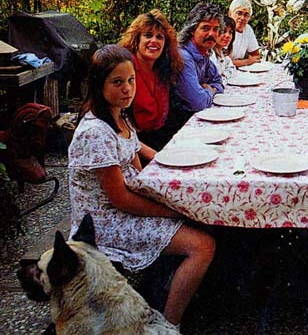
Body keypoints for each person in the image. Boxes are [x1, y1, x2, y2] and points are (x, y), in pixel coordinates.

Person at [68, 45, 215, 328]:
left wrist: (170, 162)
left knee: (199, 212)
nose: (127, 89)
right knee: (203, 245)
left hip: (122, 206)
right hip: (103, 223)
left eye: (131, 80)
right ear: (99, 85)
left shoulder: (118, 114)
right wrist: (170, 211)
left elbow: (135, 156)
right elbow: (120, 199)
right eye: (118, 82)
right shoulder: (95, 133)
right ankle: (168, 325)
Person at [119, 9, 183, 157]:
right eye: (148, 35)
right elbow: (116, 125)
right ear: (137, 39)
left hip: (161, 139)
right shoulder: (126, 69)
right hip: (133, 147)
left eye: (159, 37)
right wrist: (153, 155)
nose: (154, 41)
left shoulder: (165, 68)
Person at [169, 3, 224, 131]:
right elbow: (199, 103)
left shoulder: (204, 53)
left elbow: (218, 82)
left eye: (215, 29)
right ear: (192, 30)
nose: (211, 33)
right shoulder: (184, 57)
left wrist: (208, 90)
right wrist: (210, 90)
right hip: (177, 127)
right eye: (205, 28)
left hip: (196, 120)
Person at [228, 0, 261, 68]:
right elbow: (224, 62)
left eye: (246, 15)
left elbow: (256, 56)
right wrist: (248, 61)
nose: (242, 18)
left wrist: (239, 62)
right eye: (239, 13)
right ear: (230, 14)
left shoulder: (247, 29)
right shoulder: (224, 30)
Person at [210, 15, 237, 86]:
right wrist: (223, 77)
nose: (228, 35)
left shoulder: (223, 53)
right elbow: (215, 80)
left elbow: (232, 68)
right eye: (224, 31)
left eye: (230, 32)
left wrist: (224, 75)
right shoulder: (210, 54)